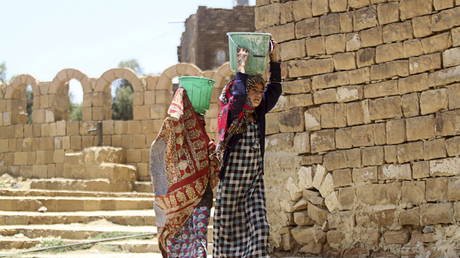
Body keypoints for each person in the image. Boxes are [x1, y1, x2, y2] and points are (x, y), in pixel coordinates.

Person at [213, 39, 282, 257]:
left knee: (260, 231)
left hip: (253, 185)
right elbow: (239, 95)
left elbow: (276, 89)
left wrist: (274, 59)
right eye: (254, 91)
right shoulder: (233, 113)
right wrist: (241, 68)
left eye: (260, 92)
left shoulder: (259, 113)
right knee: (227, 240)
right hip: (231, 188)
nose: (258, 95)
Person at [149, 86, 219, 257]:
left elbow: (213, 166)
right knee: (181, 242)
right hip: (178, 205)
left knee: (199, 238)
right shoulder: (171, 136)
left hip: (202, 197)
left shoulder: (204, 139)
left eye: (200, 119)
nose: (199, 122)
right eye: (197, 118)